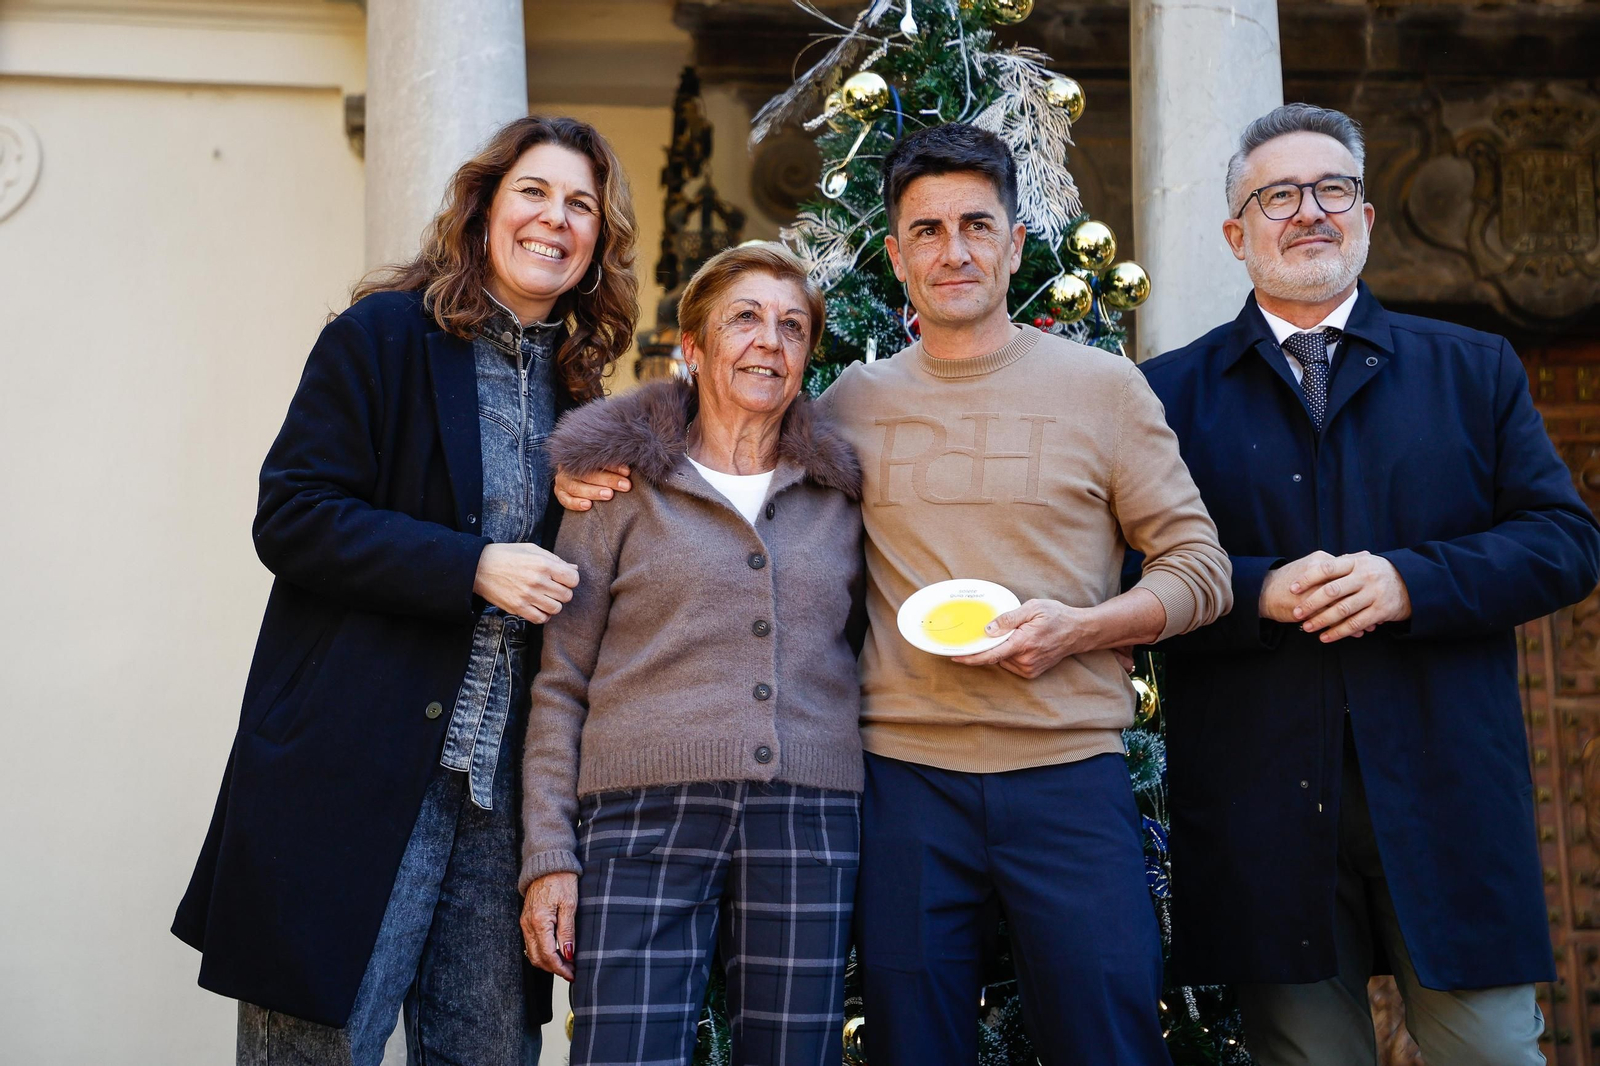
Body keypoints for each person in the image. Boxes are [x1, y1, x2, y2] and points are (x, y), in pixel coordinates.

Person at [556, 123, 1232, 1066]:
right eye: (927, 231)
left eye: (976, 226)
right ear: (895, 257)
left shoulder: (1106, 389)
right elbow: (721, 420)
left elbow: (1201, 572)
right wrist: (594, 458)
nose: (953, 251)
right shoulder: (850, 407)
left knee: (1112, 1044)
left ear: (1016, 244)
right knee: (913, 1048)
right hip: (904, 785)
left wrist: (1085, 629)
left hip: (1069, 778)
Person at [1137, 103, 1600, 1066]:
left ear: (1368, 217)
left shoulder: (1474, 368)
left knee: (1492, 1053)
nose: (1309, 211)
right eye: (1277, 195)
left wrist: (1409, 581)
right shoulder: (1165, 394)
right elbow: (1124, 576)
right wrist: (1254, 590)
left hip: (1447, 788)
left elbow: (1565, 542)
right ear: (1236, 233)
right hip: (1260, 800)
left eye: (1332, 189)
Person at [171, 115, 640, 1066]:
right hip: (353, 771)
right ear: (484, 209)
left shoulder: (586, 395)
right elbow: (292, 516)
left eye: (581, 205)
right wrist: (468, 567)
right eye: (534, 193)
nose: (555, 219)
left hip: (503, 799)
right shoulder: (382, 335)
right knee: (315, 1053)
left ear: (598, 243)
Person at [518, 243, 865, 1066]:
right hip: (638, 815)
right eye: (743, 319)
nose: (769, 342)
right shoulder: (616, 487)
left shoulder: (842, 494)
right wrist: (549, 856)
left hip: (807, 815)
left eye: (791, 327)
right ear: (695, 347)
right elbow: (560, 683)